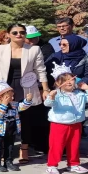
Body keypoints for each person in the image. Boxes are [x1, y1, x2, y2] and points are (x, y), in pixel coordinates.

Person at [0, 22, 49, 164]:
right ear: (9, 34)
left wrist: (45, 89)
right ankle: (4, 150)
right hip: (5, 87)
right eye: (15, 32)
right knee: (4, 118)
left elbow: (40, 70)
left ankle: (24, 149)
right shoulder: (0, 49)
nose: (19, 35)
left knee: (25, 119)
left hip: (26, 87)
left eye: (22, 32)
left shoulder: (34, 49)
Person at [44, 68, 88, 174]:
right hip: (59, 124)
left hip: (76, 124)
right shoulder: (57, 94)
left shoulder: (79, 94)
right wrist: (51, 96)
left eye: (71, 79)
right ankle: (52, 166)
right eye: (65, 80)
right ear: (58, 83)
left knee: (74, 145)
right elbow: (48, 104)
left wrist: (87, 88)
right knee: (56, 146)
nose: (69, 82)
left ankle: (73, 164)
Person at [22, 25, 54, 154]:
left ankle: (43, 144)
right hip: (25, 85)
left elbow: (42, 69)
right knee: (29, 116)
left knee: (41, 116)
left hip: (41, 85)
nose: (31, 40)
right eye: (28, 38)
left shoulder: (46, 48)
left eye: (34, 38)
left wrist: (44, 88)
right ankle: (31, 142)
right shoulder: (21, 48)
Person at [0, 82, 31, 172]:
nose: (12, 98)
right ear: (0, 97)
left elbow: (21, 107)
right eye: (9, 97)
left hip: (11, 129)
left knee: (10, 147)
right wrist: (4, 104)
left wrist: (27, 100)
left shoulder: (13, 104)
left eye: (13, 96)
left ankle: (8, 162)